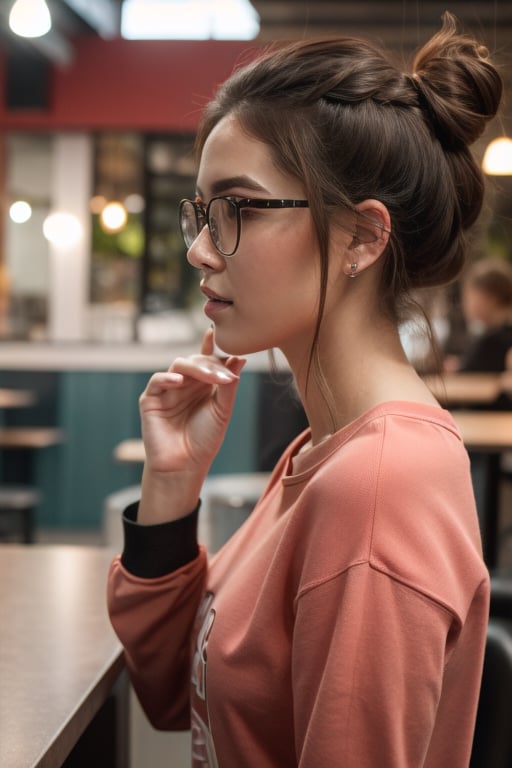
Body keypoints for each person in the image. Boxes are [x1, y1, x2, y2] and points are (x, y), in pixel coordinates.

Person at [107, 13, 502, 767]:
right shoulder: (323, 452)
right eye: (201, 211)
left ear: (361, 237)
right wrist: (171, 488)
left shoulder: (379, 487)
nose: (198, 248)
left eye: (237, 210)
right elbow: (171, 695)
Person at [444, 257, 512, 373]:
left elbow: (464, 373)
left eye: (467, 296)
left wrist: (456, 368)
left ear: (487, 296)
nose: (464, 304)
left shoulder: (493, 342)